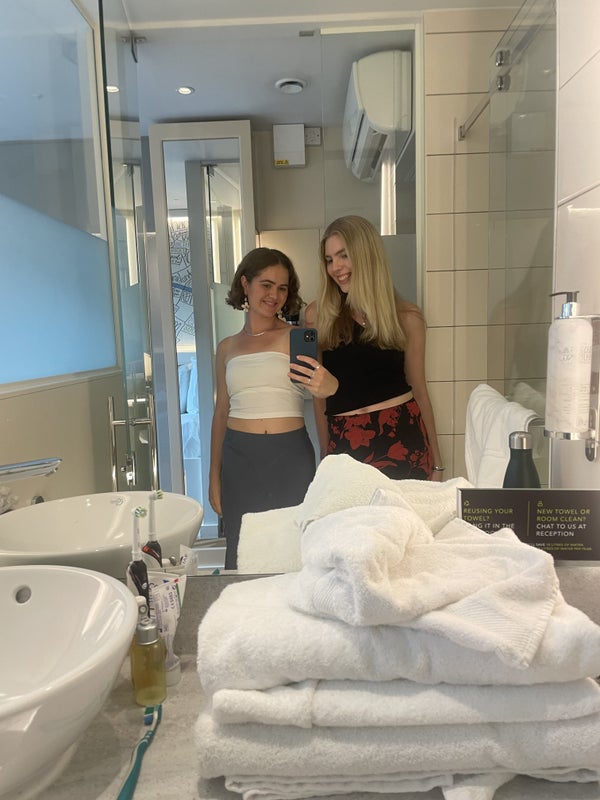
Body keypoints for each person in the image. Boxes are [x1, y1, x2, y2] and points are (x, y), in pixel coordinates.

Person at [209, 247, 338, 569]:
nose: (274, 295)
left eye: (282, 288)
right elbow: (221, 412)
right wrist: (214, 477)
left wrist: (326, 459)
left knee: (291, 550)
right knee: (243, 551)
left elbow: (320, 406)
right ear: (245, 284)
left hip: (290, 456)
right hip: (238, 458)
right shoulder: (226, 347)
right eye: (266, 285)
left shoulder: (298, 338)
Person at [305, 215, 444, 481]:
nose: (335, 267)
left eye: (344, 255)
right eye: (329, 259)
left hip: (404, 440)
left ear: (367, 255)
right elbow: (318, 397)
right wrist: (324, 454)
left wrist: (437, 464)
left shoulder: (407, 317)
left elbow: (419, 390)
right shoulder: (319, 315)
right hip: (346, 445)